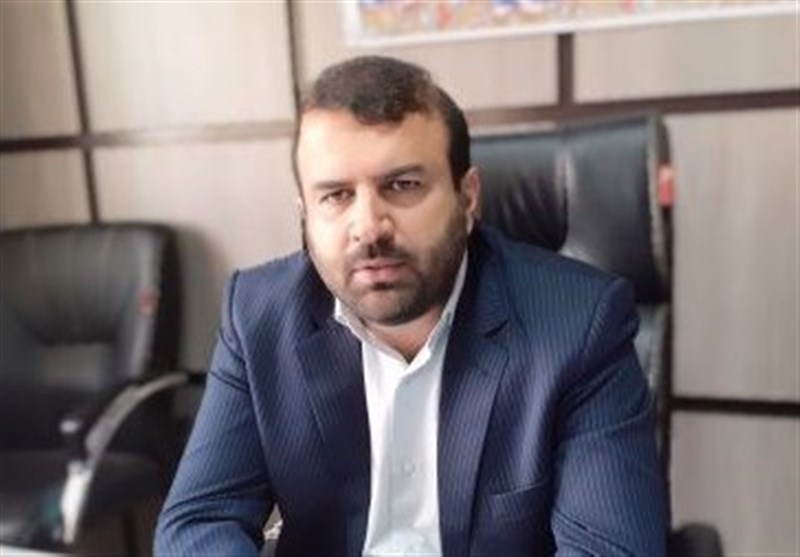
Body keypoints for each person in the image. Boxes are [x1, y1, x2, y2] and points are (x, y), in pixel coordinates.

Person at [155, 55, 667, 556]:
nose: (368, 227)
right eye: (336, 195)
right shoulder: (259, 315)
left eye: (402, 185)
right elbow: (201, 521)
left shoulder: (580, 322)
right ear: (305, 215)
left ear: (468, 197)